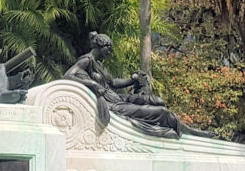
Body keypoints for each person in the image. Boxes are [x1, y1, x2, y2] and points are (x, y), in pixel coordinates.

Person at [64, 32, 214, 139]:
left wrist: (132, 79)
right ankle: (192, 132)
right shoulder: (86, 60)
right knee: (162, 112)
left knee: (156, 101)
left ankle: (187, 129)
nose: (110, 51)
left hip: (118, 98)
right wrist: (92, 84)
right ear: (100, 46)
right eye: (108, 48)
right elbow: (68, 76)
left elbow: (113, 83)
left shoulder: (100, 65)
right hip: (112, 105)